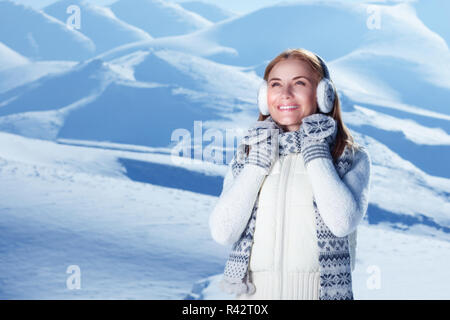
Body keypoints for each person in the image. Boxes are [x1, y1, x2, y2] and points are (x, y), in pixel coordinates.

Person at [209, 48, 371, 300]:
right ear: (264, 96)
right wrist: (256, 165)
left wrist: (316, 152)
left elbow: (342, 222)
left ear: (323, 94)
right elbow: (223, 232)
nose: (285, 94)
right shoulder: (246, 157)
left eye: (299, 83)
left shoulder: (349, 157)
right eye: (275, 84)